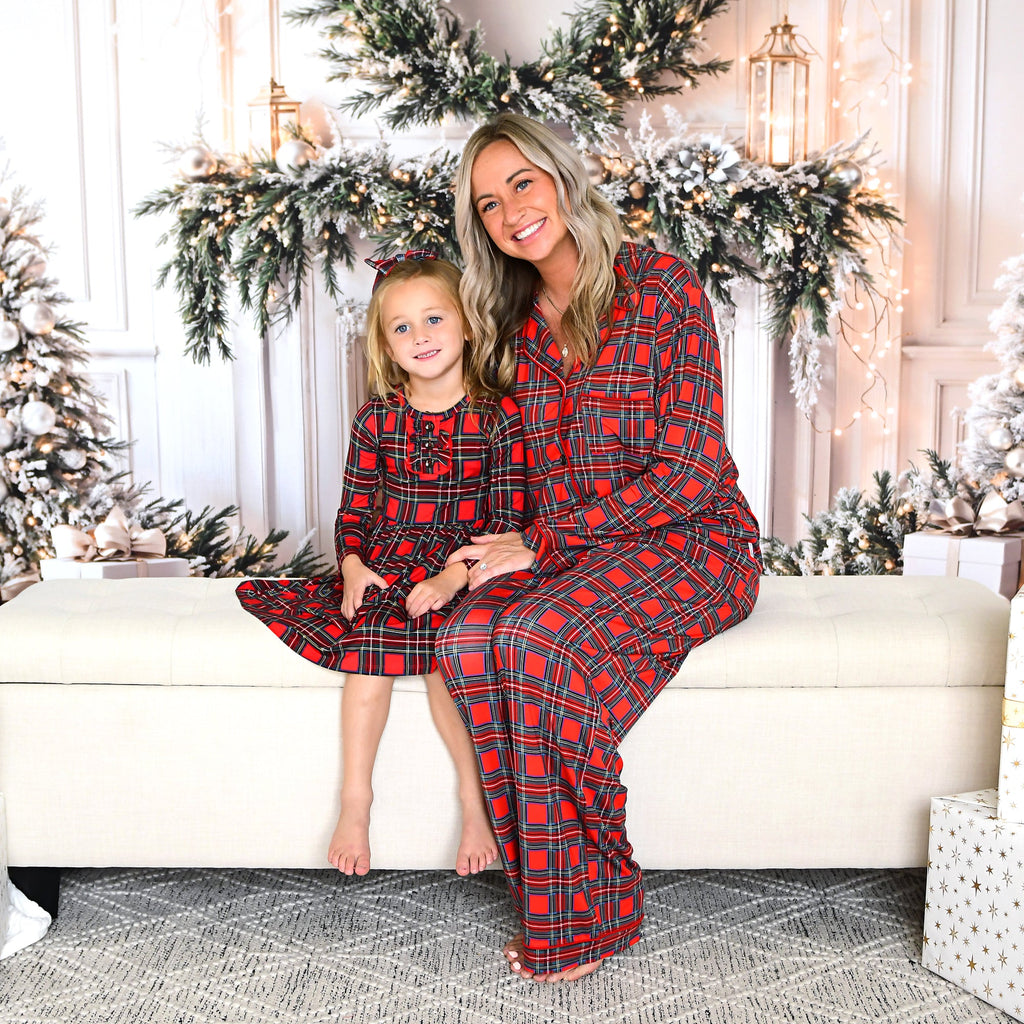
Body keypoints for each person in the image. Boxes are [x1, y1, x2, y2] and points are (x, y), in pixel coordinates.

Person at [436, 114, 762, 982]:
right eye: (488, 203)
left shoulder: (662, 286)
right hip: (580, 554)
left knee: (536, 640)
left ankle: (594, 910)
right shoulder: (509, 324)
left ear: (561, 178)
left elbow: (691, 471)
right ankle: (552, 891)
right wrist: (471, 554)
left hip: (696, 542)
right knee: (467, 637)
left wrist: (543, 543)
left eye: (523, 183)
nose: (512, 211)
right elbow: (512, 477)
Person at [237, 252, 526, 878]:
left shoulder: (498, 418)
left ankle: (475, 804)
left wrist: (452, 578)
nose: (420, 336)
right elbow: (355, 510)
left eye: (433, 319)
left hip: (462, 570)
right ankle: (355, 802)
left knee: (453, 656)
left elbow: (506, 522)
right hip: (388, 565)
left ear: (467, 323)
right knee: (369, 651)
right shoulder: (377, 420)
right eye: (402, 327)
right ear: (386, 345)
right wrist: (351, 565)